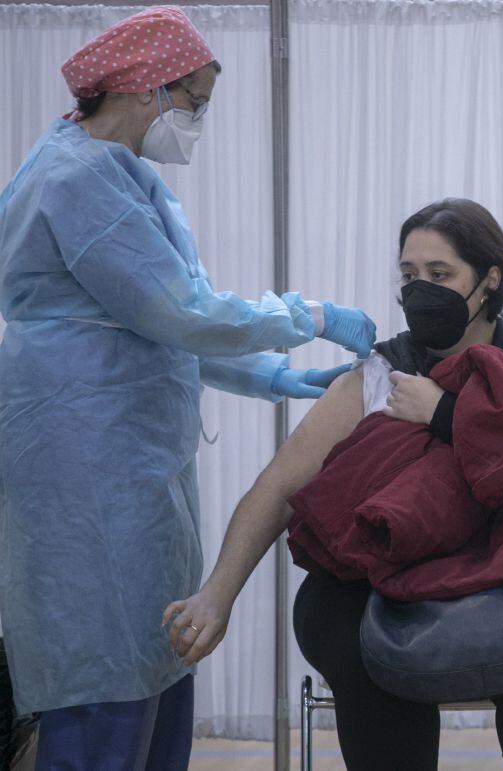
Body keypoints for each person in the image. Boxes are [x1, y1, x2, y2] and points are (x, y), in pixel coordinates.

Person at [0, 7, 376, 768]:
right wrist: (311, 314)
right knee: (102, 682)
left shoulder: (124, 177)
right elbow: (182, 311)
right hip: (85, 473)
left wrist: (280, 377)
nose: (196, 120)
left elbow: (162, 326)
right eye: (194, 101)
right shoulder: (78, 178)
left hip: (129, 470)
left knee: (155, 661)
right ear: (147, 89)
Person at [164, 198, 503, 771]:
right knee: (356, 646)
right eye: (409, 276)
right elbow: (278, 487)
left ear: (489, 279)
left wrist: (444, 413)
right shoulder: (377, 373)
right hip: (387, 565)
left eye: (440, 275)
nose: (420, 291)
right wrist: (217, 594)